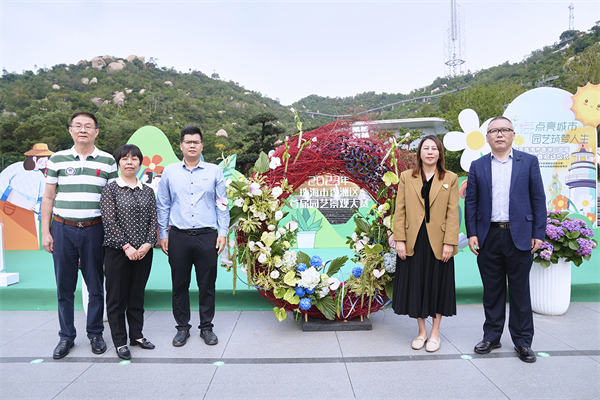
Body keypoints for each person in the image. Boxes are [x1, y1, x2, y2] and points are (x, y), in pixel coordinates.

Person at [464, 116, 546, 363]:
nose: (499, 134)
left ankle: (522, 341)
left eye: (504, 130)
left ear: (513, 135)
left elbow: (538, 199)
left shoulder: (528, 162)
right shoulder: (477, 166)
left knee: (520, 292)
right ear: (487, 137)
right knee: (492, 290)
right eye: (494, 131)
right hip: (489, 235)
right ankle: (492, 336)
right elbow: (471, 202)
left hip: (520, 236)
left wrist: (538, 234)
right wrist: (472, 233)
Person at [41, 112, 117, 359]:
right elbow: (49, 197)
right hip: (63, 229)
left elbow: (114, 198)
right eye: (78, 126)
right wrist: (46, 231)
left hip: (95, 229)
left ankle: (95, 333)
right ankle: (66, 337)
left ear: (96, 131)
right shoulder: (57, 159)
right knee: (64, 286)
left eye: (88, 126)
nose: (83, 129)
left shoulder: (107, 161)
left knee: (95, 285)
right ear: (70, 130)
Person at [156, 126, 229, 347]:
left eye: (196, 142)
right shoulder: (169, 171)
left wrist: (223, 232)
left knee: (207, 284)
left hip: (207, 235)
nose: (192, 145)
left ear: (201, 146)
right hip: (178, 235)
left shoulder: (214, 171)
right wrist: (163, 233)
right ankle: (182, 328)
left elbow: (222, 204)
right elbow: (162, 205)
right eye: (187, 142)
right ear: (181, 145)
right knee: (179, 284)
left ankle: (206, 328)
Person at [392, 135, 459, 352]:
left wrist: (449, 243)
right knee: (417, 285)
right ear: (419, 152)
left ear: (440, 153)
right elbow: (399, 210)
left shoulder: (450, 177)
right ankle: (421, 332)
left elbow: (452, 214)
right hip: (413, 240)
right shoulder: (406, 177)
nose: (430, 152)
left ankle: (435, 333)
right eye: (426, 148)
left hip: (439, 242)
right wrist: (400, 240)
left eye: (434, 148)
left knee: (437, 286)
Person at [100, 144, 158, 360]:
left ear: (140, 163)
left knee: (137, 295)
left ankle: (137, 335)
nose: (130, 162)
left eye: (134, 159)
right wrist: (127, 246)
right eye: (125, 158)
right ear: (118, 163)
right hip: (117, 252)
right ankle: (120, 341)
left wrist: (148, 244)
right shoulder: (111, 189)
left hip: (143, 252)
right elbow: (109, 220)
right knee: (116, 298)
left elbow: (154, 220)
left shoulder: (148, 191)